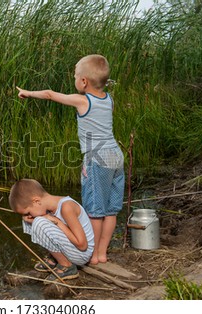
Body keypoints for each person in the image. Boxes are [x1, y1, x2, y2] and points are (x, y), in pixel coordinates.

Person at [16, 54, 124, 265]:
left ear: (83, 81)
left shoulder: (83, 100)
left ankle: (92, 255)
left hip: (97, 158)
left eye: (75, 76)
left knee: (95, 211)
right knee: (111, 210)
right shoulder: (109, 99)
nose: (74, 79)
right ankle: (102, 253)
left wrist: (27, 93)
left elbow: (49, 94)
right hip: (116, 156)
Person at [8, 179, 94, 280]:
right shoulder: (50, 206)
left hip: (82, 254)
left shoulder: (66, 207)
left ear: (36, 201)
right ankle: (55, 257)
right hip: (73, 249)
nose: (28, 215)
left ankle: (67, 266)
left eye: (28, 212)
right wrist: (37, 218)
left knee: (39, 222)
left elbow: (82, 245)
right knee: (30, 220)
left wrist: (57, 221)